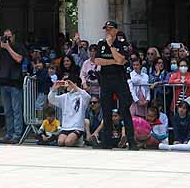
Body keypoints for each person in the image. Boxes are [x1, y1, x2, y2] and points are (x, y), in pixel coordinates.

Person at [92, 20, 136, 149]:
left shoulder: (122, 43)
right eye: (106, 29)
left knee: (124, 109)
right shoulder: (101, 43)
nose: (108, 31)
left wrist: (111, 46)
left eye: (110, 29)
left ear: (116, 30)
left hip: (119, 78)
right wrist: (113, 61)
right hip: (106, 79)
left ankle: (131, 141)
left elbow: (122, 60)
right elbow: (98, 60)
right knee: (106, 110)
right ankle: (107, 142)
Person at [0, 29, 26, 144]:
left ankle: (17, 134)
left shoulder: (18, 46)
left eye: (9, 37)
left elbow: (19, 59)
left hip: (15, 83)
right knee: (7, 111)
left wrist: (8, 47)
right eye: (5, 37)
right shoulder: (2, 48)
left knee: (16, 110)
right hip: (4, 82)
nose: (7, 39)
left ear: (14, 37)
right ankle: (9, 134)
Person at [47, 77, 91, 147]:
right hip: (66, 127)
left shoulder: (82, 96)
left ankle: (79, 141)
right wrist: (54, 88)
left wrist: (74, 86)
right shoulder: (65, 97)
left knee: (68, 142)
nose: (66, 85)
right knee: (60, 142)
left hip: (77, 127)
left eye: (68, 83)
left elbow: (88, 97)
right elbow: (51, 99)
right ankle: (75, 140)